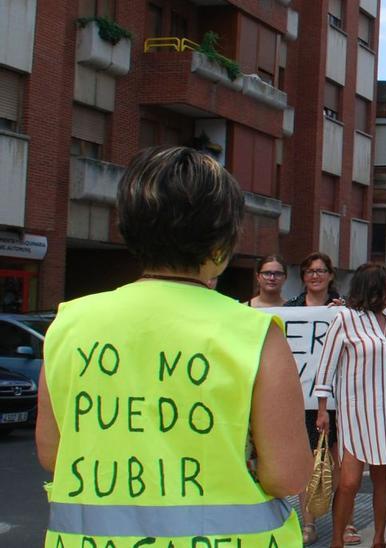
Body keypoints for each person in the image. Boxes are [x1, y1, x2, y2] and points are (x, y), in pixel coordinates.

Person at [37, 147, 310, 546]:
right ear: (222, 241)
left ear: (129, 227)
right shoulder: (253, 333)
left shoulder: (68, 324)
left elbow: (53, 456)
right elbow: (288, 474)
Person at [314, 263, 386, 548]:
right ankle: (336, 540)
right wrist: (323, 408)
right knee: (349, 481)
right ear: (375, 287)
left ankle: (378, 540)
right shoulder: (345, 319)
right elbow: (326, 366)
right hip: (354, 410)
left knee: (383, 478)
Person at [285, 251, 347, 543]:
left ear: (330, 275)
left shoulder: (344, 310)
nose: (315, 275)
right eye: (310, 271)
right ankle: (307, 521)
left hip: (337, 398)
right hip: (302, 400)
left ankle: (341, 520)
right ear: (303, 276)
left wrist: (345, 314)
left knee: (336, 460)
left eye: (321, 270)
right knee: (307, 460)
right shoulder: (289, 310)